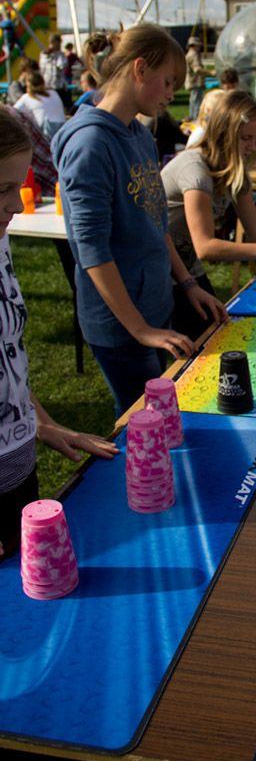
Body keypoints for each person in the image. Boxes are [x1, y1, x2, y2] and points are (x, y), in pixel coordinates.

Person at [51, 24, 227, 417]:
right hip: (120, 323)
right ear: (139, 69)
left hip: (154, 307)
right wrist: (139, 330)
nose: (171, 93)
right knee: (142, 422)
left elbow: (156, 224)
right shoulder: (89, 144)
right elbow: (92, 251)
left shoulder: (141, 136)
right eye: (167, 82)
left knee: (159, 414)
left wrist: (186, 284)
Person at [0, 106, 117, 561]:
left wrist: (41, 424)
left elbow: (8, 355)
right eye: (4, 189)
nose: (16, 202)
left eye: (20, 184)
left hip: (19, 471)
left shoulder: (1, 236)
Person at [161, 90, 256, 339]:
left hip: (185, 266)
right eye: (245, 138)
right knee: (200, 344)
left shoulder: (234, 169)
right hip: (156, 268)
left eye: (255, 138)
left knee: (213, 334)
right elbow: (205, 247)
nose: (252, 147)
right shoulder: (195, 170)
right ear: (222, 135)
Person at [13, 68, 66, 141]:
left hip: (46, 133)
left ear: (28, 84)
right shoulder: (53, 93)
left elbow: (12, 112)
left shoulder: (27, 98)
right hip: (62, 131)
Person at [39, 32, 70, 110]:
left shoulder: (61, 55)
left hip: (59, 86)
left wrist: (58, 53)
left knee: (62, 106)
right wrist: (49, 53)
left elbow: (62, 66)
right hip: (48, 85)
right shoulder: (44, 54)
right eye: (58, 43)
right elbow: (42, 67)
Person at [185, 37, 207, 122]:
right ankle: (195, 119)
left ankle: (191, 117)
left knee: (193, 100)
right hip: (196, 82)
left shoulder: (189, 54)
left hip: (192, 81)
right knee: (197, 102)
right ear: (195, 46)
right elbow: (197, 69)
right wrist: (210, 73)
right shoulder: (194, 55)